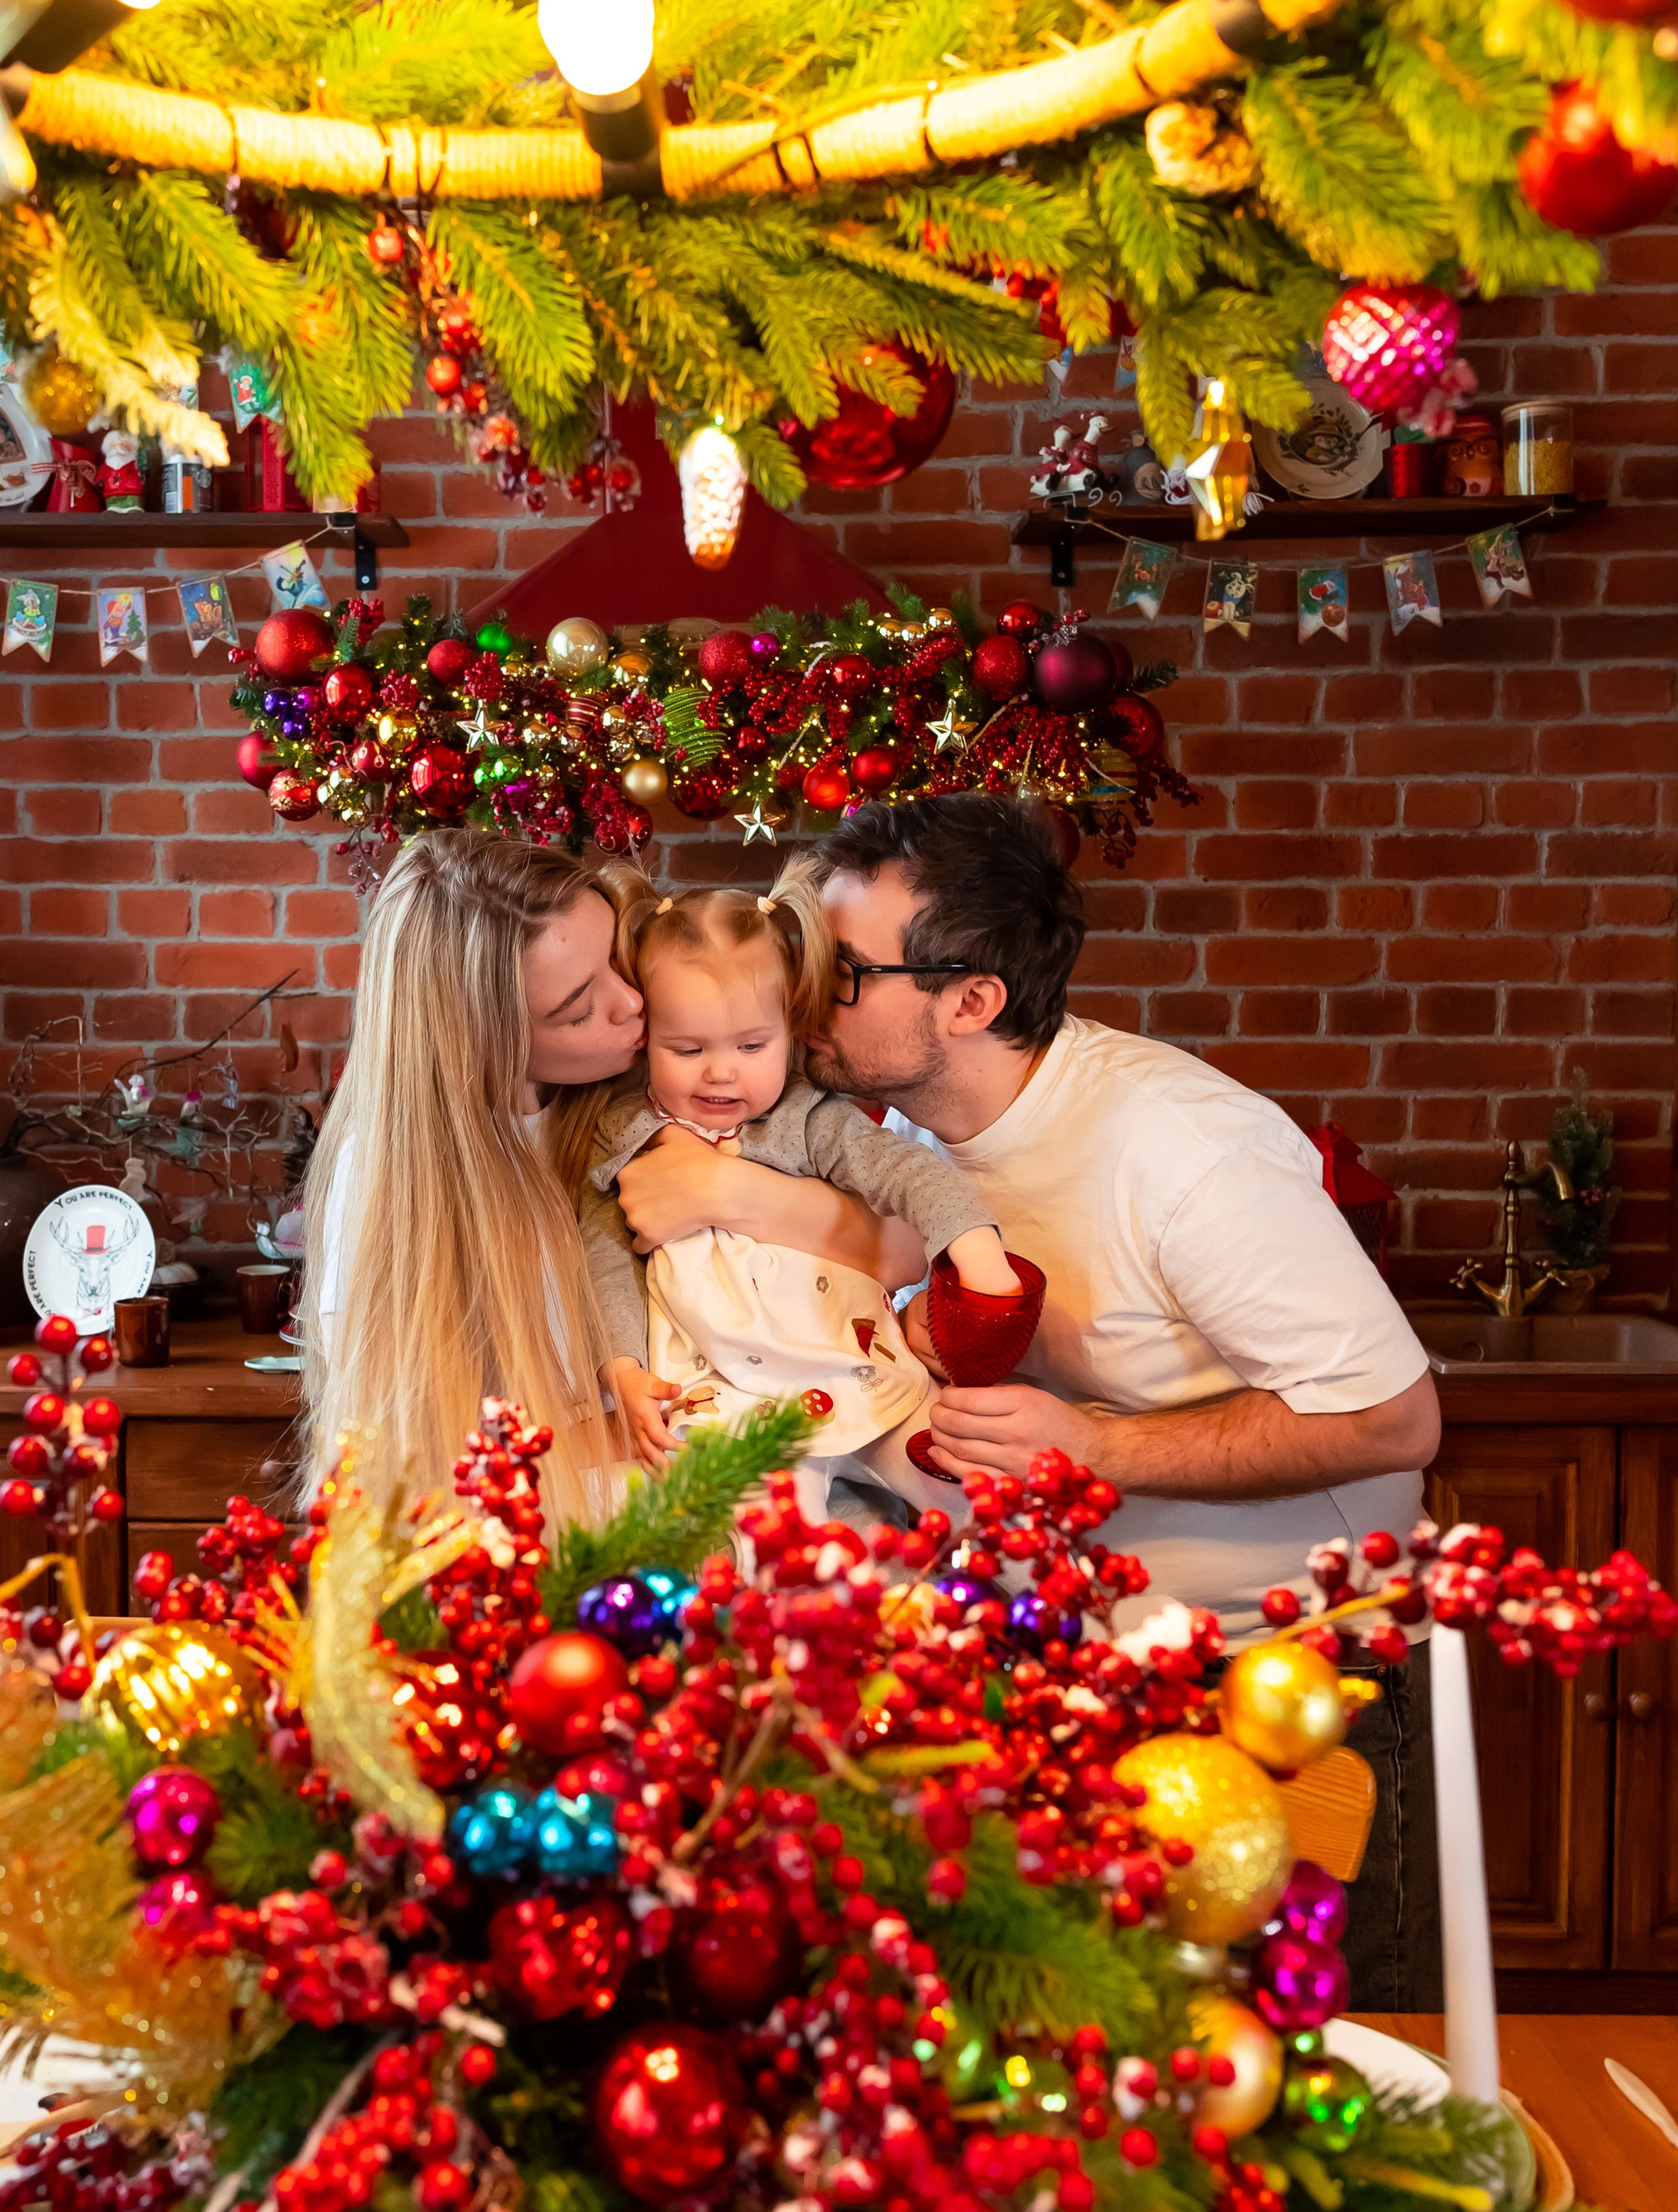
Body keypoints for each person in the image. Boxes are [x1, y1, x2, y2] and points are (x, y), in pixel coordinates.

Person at [614, 793, 1440, 2009]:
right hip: (1072, 1674)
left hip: (1282, 1685)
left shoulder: (1181, 1147)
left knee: (1326, 2079)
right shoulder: (899, 1132)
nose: (804, 996)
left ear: (969, 1001)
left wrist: (1096, 1446)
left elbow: (1395, 1420)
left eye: (843, 973)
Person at [298, 833, 907, 1531]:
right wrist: (661, 1426)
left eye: (619, 966)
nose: (632, 1006)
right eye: (578, 1009)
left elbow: (900, 1252)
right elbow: (420, 1463)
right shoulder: (388, 1190)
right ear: (481, 1038)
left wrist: (718, 1191)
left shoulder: (653, 1092)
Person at [578, 871, 1042, 1516]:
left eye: (751, 1045)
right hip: (728, 1394)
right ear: (644, 1039)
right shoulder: (624, 1136)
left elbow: (905, 1172)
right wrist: (621, 1368)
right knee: (767, 1537)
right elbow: (604, 1261)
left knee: (969, 1480)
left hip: (855, 1367)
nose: (720, 1070)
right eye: (686, 1048)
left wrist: (972, 1243)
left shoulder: (809, 1118)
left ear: (791, 1032)